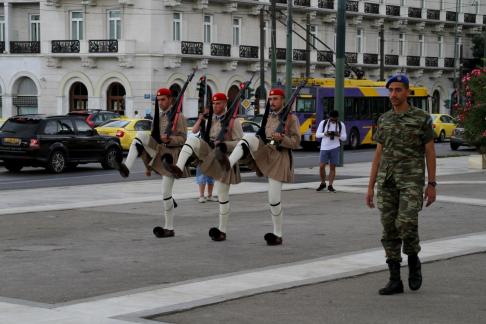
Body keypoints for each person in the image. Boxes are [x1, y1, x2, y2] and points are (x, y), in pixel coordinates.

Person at [365, 74, 436, 295]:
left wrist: (431, 183)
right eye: (391, 90)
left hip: (411, 181)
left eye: (398, 90)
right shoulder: (384, 119)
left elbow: (430, 152)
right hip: (386, 181)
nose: (393, 95)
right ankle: (395, 279)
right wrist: (370, 186)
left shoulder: (421, 118)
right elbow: (378, 153)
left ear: (407, 92)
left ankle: (413, 257)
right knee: (388, 229)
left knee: (405, 222)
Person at [224, 88, 301, 245]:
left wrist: (282, 138)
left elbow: (296, 142)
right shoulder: (268, 116)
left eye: (275, 99)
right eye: (270, 99)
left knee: (273, 199)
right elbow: (261, 136)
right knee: (248, 138)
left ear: (283, 100)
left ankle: (277, 234)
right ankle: (228, 164)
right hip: (266, 151)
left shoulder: (291, 119)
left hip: (279, 157)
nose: (272, 102)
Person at [164, 92, 243, 242]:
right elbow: (197, 134)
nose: (215, 106)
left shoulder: (234, 122)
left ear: (225, 104)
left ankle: (222, 230)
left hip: (223, 158)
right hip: (209, 153)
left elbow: (240, 143)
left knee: (222, 196)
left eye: (218, 103)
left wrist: (224, 144)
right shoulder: (210, 120)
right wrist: (202, 120)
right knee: (192, 141)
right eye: (214, 103)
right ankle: (179, 168)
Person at [116, 88, 189, 238]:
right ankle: (126, 167)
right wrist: (147, 165)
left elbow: (183, 139)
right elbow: (150, 141)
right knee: (141, 135)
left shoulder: (179, 116)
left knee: (165, 193)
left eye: (163, 99)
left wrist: (171, 140)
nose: (161, 102)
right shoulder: (158, 116)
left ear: (170, 100)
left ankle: (169, 228)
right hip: (158, 151)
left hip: (171, 156)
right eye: (159, 100)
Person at [315, 110, 347, 193]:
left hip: (335, 147)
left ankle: (330, 185)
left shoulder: (340, 124)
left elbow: (344, 138)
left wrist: (338, 135)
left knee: (332, 167)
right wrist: (325, 134)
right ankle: (323, 183)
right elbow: (317, 134)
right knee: (322, 166)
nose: (333, 121)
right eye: (332, 119)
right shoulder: (323, 123)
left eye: (334, 119)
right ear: (329, 117)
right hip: (324, 147)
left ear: (337, 118)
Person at [191, 110, 217, 203]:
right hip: (203, 148)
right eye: (206, 111)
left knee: (212, 173)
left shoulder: (216, 120)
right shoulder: (202, 121)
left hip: (213, 148)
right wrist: (200, 119)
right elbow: (194, 130)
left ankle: (210, 195)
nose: (207, 113)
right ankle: (201, 195)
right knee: (201, 172)